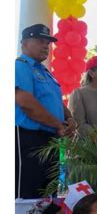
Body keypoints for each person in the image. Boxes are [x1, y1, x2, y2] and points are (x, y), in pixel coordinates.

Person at [15, 23, 76, 199]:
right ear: (25, 43)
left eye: (47, 42)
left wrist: (69, 119)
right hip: (29, 139)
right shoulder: (20, 66)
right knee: (27, 195)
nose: (45, 46)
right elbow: (25, 102)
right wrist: (58, 124)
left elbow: (56, 103)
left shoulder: (46, 72)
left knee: (48, 195)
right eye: (40, 40)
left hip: (51, 139)